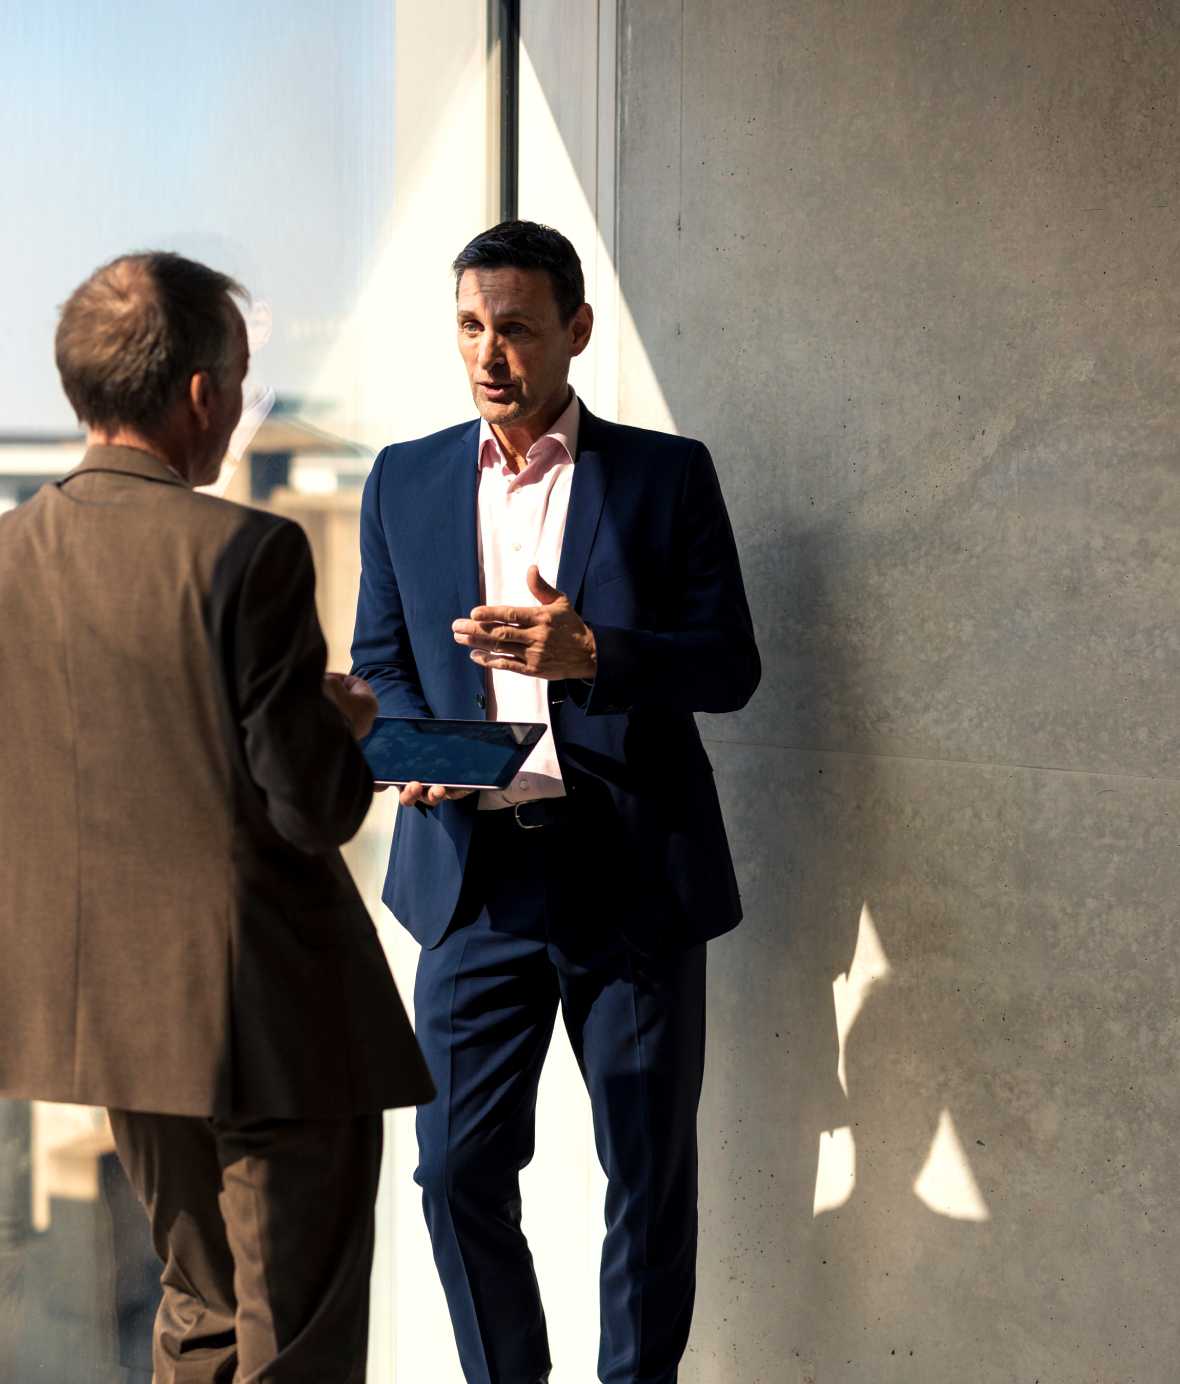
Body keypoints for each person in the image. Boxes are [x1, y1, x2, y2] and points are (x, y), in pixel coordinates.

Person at [0, 251, 435, 1383]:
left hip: (119, 1030)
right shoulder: (247, 551)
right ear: (201, 393)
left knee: (194, 1312)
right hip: (273, 1026)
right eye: (241, 378)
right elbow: (308, 808)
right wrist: (338, 725)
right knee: (296, 1338)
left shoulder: (7, 559)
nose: (241, 407)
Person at [351, 220, 761, 1384]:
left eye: (518, 328)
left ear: (576, 331)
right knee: (452, 1172)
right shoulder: (404, 478)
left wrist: (595, 654)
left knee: (646, 1176)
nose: (491, 354)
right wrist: (406, 748)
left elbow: (730, 666)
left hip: (629, 874)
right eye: (473, 327)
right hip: (472, 878)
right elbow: (379, 659)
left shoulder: (666, 474)